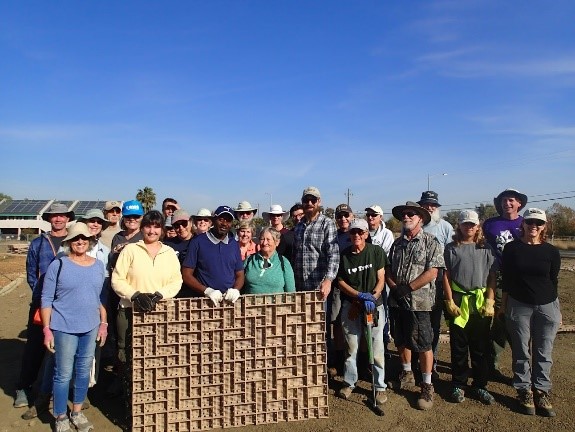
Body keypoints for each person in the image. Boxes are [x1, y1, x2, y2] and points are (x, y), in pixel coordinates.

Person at [111, 210, 183, 424]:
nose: (152, 231)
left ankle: (156, 404)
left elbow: (176, 281)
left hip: (159, 313)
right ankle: (130, 406)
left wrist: (160, 295)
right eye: (148, 226)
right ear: (142, 228)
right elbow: (117, 279)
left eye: (156, 227)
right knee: (128, 358)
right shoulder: (130, 250)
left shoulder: (169, 253)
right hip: (130, 310)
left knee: (157, 359)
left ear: (162, 230)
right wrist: (134, 295)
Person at [40, 222, 107, 432]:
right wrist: (47, 329)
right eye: (76, 238)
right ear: (69, 242)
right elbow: (46, 298)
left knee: (82, 371)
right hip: (64, 327)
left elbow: (99, 298)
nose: (80, 241)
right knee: (63, 373)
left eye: (84, 238)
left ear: (90, 241)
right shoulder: (58, 265)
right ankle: (60, 416)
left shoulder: (98, 265)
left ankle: (77, 412)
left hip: (90, 327)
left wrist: (103, 322)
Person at [501, 208, 561, 417]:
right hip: (519, 305)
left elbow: (553, 280)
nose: (534, 226)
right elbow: (506, 280)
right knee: (521, 351)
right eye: (530, 222)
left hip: (547, 306)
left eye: (539, 223)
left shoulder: (552, 251)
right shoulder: (511, 249)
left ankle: (541, 390)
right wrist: (503, 306)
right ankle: (524, 390)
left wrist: (555, 309)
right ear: (523, 224)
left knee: (544, 351)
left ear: (544, 226)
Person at [386, 201, 444, 411]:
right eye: (404, 214)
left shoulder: (431, 242)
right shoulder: (397, 244)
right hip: (398, 301)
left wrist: (408, 288)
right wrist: (394, 287)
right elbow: (389, 270)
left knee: (423, 342)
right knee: (401, 338)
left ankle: (427, 385)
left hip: (420, 303)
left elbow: (433, 272)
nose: (407, 217)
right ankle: (406, 372)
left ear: (421, 218)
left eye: (411, 214)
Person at [15, 203, 74, 409]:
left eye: (62, 216)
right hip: (43, 304)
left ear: (68, 218)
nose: (58, 219)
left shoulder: (74, 241)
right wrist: (43, 297)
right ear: (49, 219)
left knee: (65, 349)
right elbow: (31, 273)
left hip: (68, 304)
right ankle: (23, 387)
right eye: (54, 216)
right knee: (35, 347)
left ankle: (58, 392)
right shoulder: (38, 243)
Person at [443, 210, 497, 405]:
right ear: (459, 225)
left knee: (480, 348)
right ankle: (459, 383)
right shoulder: (451, 248)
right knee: (458, 346)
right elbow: (446, 276)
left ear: (478, 227)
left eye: (472, 224)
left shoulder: (487, 249)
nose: (469, 227)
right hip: (459, 301)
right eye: (465, 224)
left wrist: (490, 301)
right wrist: (449, 300)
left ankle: (480, 385)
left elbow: (492, 276)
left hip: (480, 302)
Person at [336, 219, 389, 405]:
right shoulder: (344, 255)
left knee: (376, 348)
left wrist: (373, 297)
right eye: (353, 233)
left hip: (373, 306)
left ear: (366, 234)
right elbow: (341, 282)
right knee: (351, 347)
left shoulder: (375, 252)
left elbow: (381, 277)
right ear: (349, 235)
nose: (356, 236)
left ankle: (379, 386)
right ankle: (350, 381)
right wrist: (359, 296)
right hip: (352, 306)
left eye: (360, 232)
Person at [483, 188, 528, 381]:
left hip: (521, 278)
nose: (507, 204)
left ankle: (523, 370)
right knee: (500, 321)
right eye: (503, 201)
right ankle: (491, 365)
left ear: (519, 204)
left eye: (511, 200)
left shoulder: (525, 224)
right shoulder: (490, 224)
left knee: (519, 324)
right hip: (497, 277)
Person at [105, 199, 144, 397]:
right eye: (129, 217)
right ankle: (121, 379)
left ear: (141, 218)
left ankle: (137, 381)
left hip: (140, 295)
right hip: (119, 294)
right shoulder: (118, 237)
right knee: (120, 341)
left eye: (136, 217)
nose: (132, 220)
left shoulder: (144, 237)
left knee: (139, 340)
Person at [417, 191, 454, 380]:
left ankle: (433, 362)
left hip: (438, 282)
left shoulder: (445, 227)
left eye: (433, 205)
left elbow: (451, 255)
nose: (429, 208)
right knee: (417, 324)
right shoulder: (415, 225)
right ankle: (417, 362)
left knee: (434, 325)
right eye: (425, 205)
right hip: (416, 284)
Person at [182, 206, 245, 306]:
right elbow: (186, 274)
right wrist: (207, 291)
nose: (224, 223)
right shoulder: (197, 242)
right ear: (213, 220)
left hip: (229, 301)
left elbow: (240, 274)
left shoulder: (233, 244)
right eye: (221, 219)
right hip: (204, 302)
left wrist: (236, 290)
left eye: (228, 220)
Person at [293, 186, 339, 298]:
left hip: (319, 288)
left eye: (313, 200)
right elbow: (294, 255)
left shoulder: (327, 223)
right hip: (299, 287)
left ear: (319, 201)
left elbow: (334, 255)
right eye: (306, 200)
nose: (309, 203)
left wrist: (328, 280)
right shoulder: (298, 227)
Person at [243, 227, 296, 294]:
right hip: (251, 303)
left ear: (277, 242)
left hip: (276, 304)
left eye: (268, 240)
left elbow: (291, 292)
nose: (265, 243)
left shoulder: (283, 262)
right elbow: (240, 283)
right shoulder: (249, 260)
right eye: (262, 239)